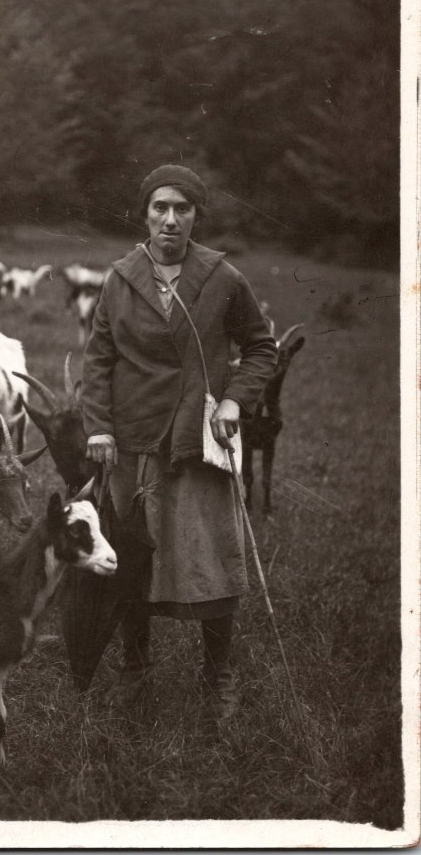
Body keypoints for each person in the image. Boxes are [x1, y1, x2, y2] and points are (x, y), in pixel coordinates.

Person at [82, 164, 277, 719]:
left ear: (197, 217)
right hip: (132, 442)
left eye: (182, 209)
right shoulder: (121, 278)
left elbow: (261, 347)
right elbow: (99, 360)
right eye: (160, 208)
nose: (170, 220)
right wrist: (98, 425)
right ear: (144, 213)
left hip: (195, 439)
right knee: (133, 559)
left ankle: (218, 674)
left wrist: (237, 399)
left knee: (210, 560)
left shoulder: (222, 277)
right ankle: (135, 667)